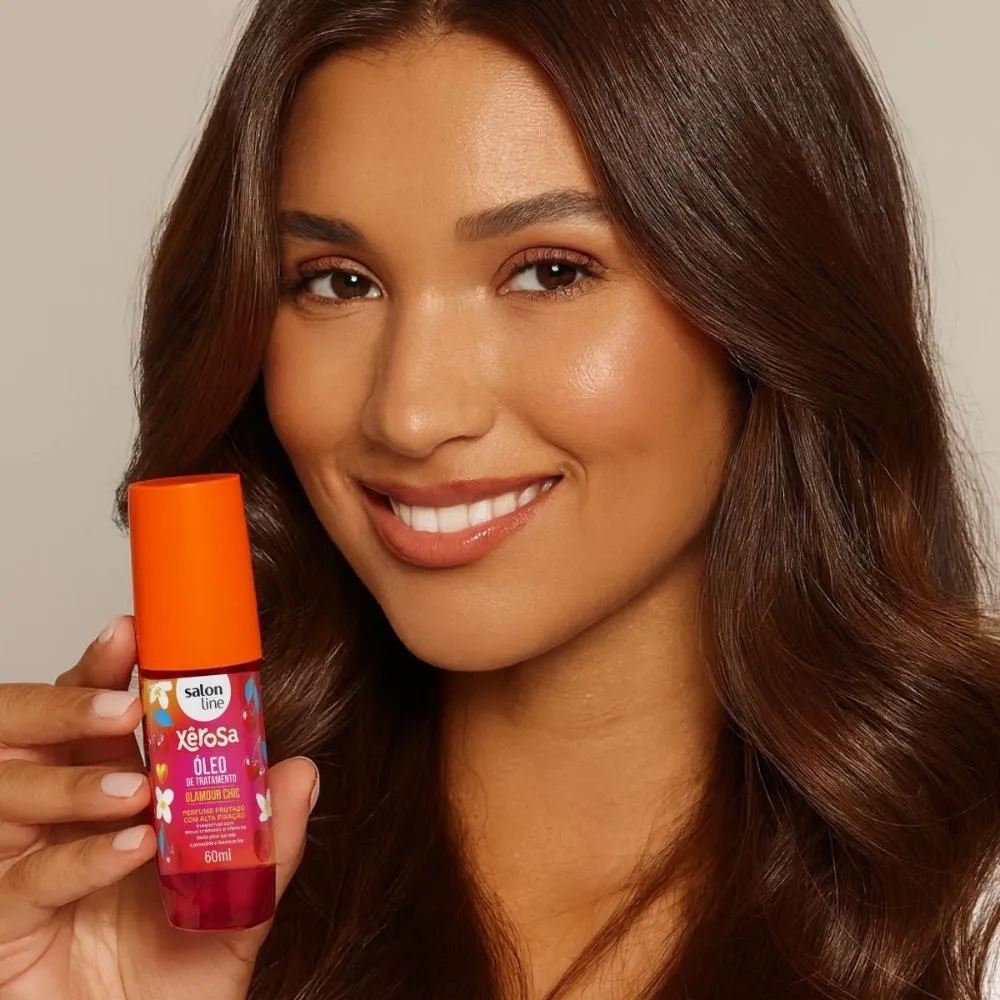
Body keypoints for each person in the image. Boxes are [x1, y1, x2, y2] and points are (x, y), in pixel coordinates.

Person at [2, 0, 1000, 997]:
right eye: (338, 283)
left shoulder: (972, 913)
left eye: (549, 272)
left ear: (768, 296)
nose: (410, 414)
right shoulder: (179, 895)